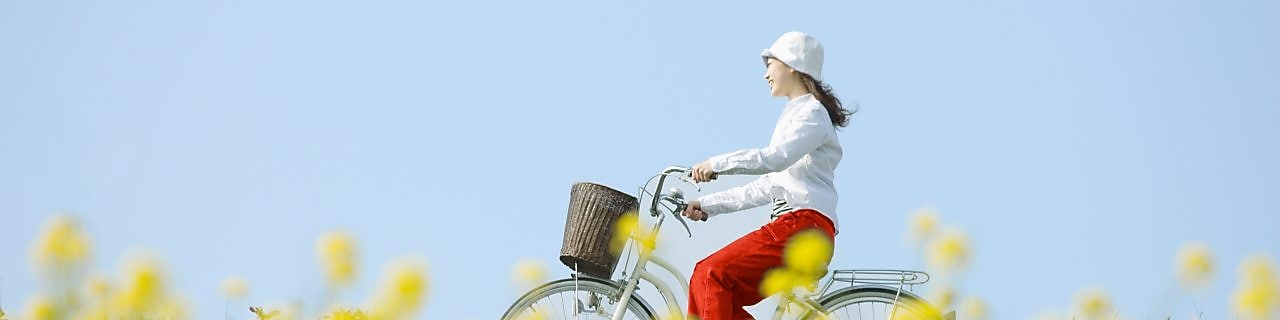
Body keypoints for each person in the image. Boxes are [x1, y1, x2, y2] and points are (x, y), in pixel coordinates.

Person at [681, 31, 853, 320]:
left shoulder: (812, 114)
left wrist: (716, 163)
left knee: (709, 274)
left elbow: (774, 159)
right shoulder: (795, 115)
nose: (765, 75)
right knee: (712, 291)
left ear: (791, 65)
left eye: (769, 64)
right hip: (798, 227)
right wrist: (707, 204)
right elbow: (766, 186)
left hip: (801, 226)